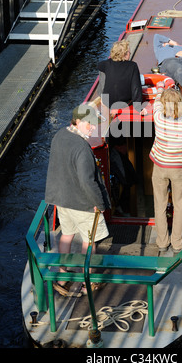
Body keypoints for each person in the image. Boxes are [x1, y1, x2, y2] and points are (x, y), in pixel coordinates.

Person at [45, 103, 110, 297]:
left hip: (61, 200)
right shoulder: (82, 148)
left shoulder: (59, 135)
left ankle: (63, 277)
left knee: (66, 235)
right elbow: (87, 181)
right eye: (89, 124)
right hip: (82, 204)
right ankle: (87, 281)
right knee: (89, 242)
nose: (92, 127)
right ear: (79, 122)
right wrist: (100, 203)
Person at [149, 81, 182, 253]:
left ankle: (162, 242)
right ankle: (177, 243)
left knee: (159, 205)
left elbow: (156, 104)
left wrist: (161, 87)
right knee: (179, 205)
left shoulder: (158, 118)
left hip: (160, 167)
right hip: (178, 169)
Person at [98, 40, 147, 114]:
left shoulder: (106, 64)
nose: (129, 54)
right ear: (125, 54)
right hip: (124, 102)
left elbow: (99, 65)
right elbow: (136, 87)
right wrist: (138, 107)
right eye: (129, 52)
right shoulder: (132, 66)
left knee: (102, 71)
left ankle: (102, 97)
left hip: (107, 101)